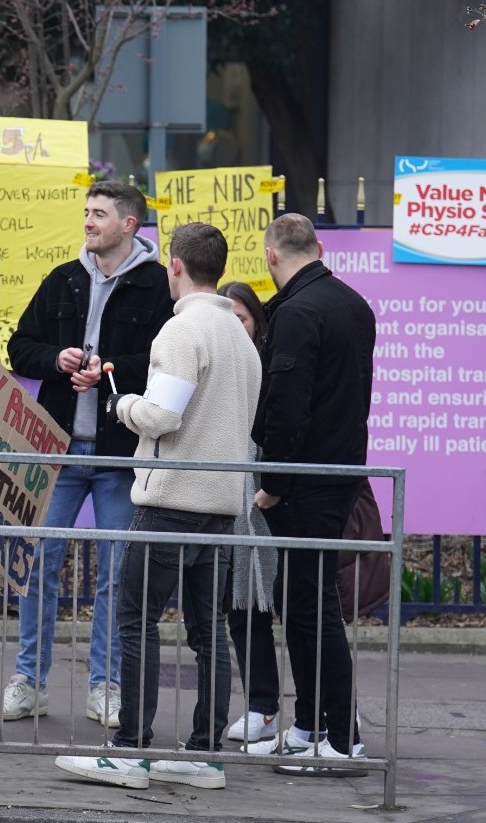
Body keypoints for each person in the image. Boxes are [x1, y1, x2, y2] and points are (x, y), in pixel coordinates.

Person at [55, 222, 261, 791]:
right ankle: (203, 753)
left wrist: (121, 404)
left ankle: (130, 749)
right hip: (221, 505)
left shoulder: (180, 330)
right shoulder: (241, 337)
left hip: (170, 500)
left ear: (175, 266)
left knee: (136, 622)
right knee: (208, 632)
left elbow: (163, 417)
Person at [0, 180, 173, 728]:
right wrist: (57, 358)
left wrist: (111, 365)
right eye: (86, 212)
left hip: (122, 452)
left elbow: (168, 361)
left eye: (99, 214)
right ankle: (29, 682)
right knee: (37, 564)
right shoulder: (62, 279)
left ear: (129, 225)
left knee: (115, 573)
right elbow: (18, 346)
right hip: (57, 449)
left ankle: (107, 686)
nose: (88, 222)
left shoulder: (159, 286)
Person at [247, 213, 375, 771]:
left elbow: (287, 406)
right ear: (317, 247)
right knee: (305, 606)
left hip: (306, 483)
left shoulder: (297, 312)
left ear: (272, 256)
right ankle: (310, 723)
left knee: (311, 609)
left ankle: (340, 736)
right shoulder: (353, 303)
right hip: (339, 473)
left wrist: (272, 484)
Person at [218, 281, 281, 744]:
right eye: (225, 319)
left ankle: (329, 715)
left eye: (240, 317)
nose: (232, 327)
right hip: (227, 504)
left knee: (298, 611)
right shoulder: (210, 365)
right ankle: (262, 706)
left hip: (271, 501)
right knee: (242, 609)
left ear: (256, 322)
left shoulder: (272, 365)